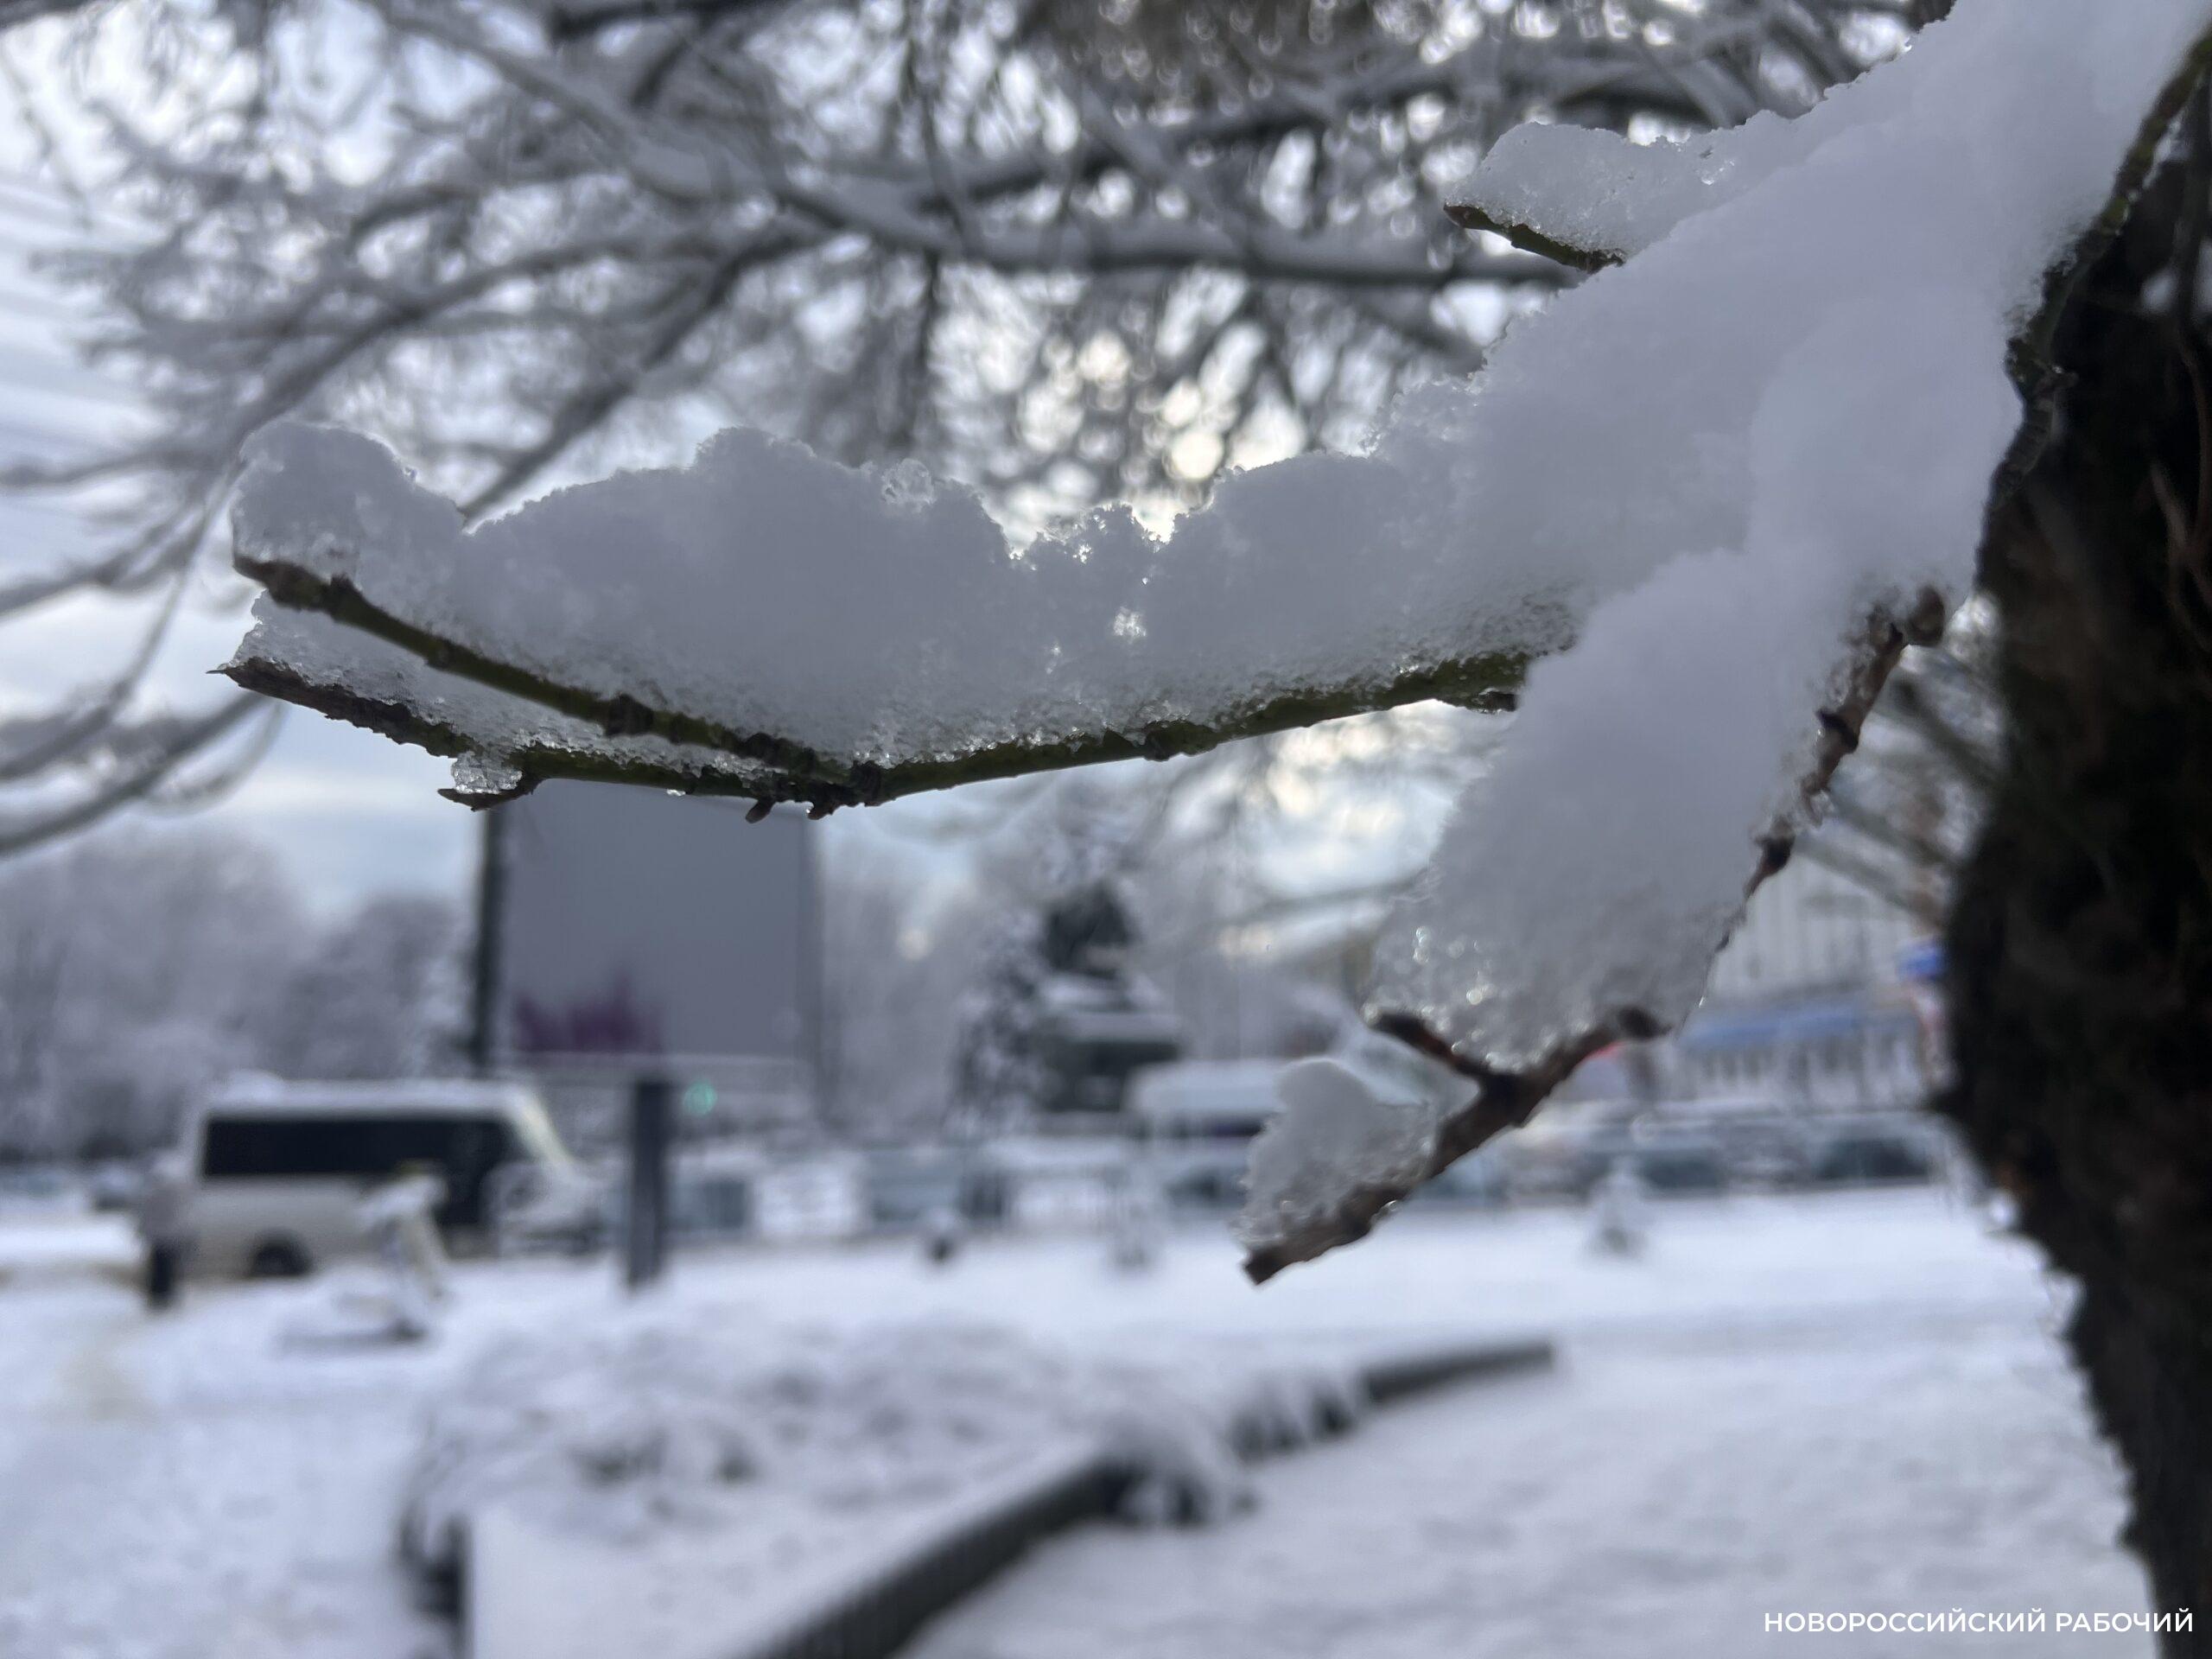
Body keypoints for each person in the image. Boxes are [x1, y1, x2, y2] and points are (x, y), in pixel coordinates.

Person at [137, 1159, 188, 1311]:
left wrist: (142, 1232)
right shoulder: (172, 1192)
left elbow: (145, 1216)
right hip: (169, 1236)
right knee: (167, 1267)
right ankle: (166, 1294)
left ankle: (157, 1295)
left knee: (158, 1267)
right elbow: (178, 1214)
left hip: (158, 1237)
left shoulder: (150, 1194)